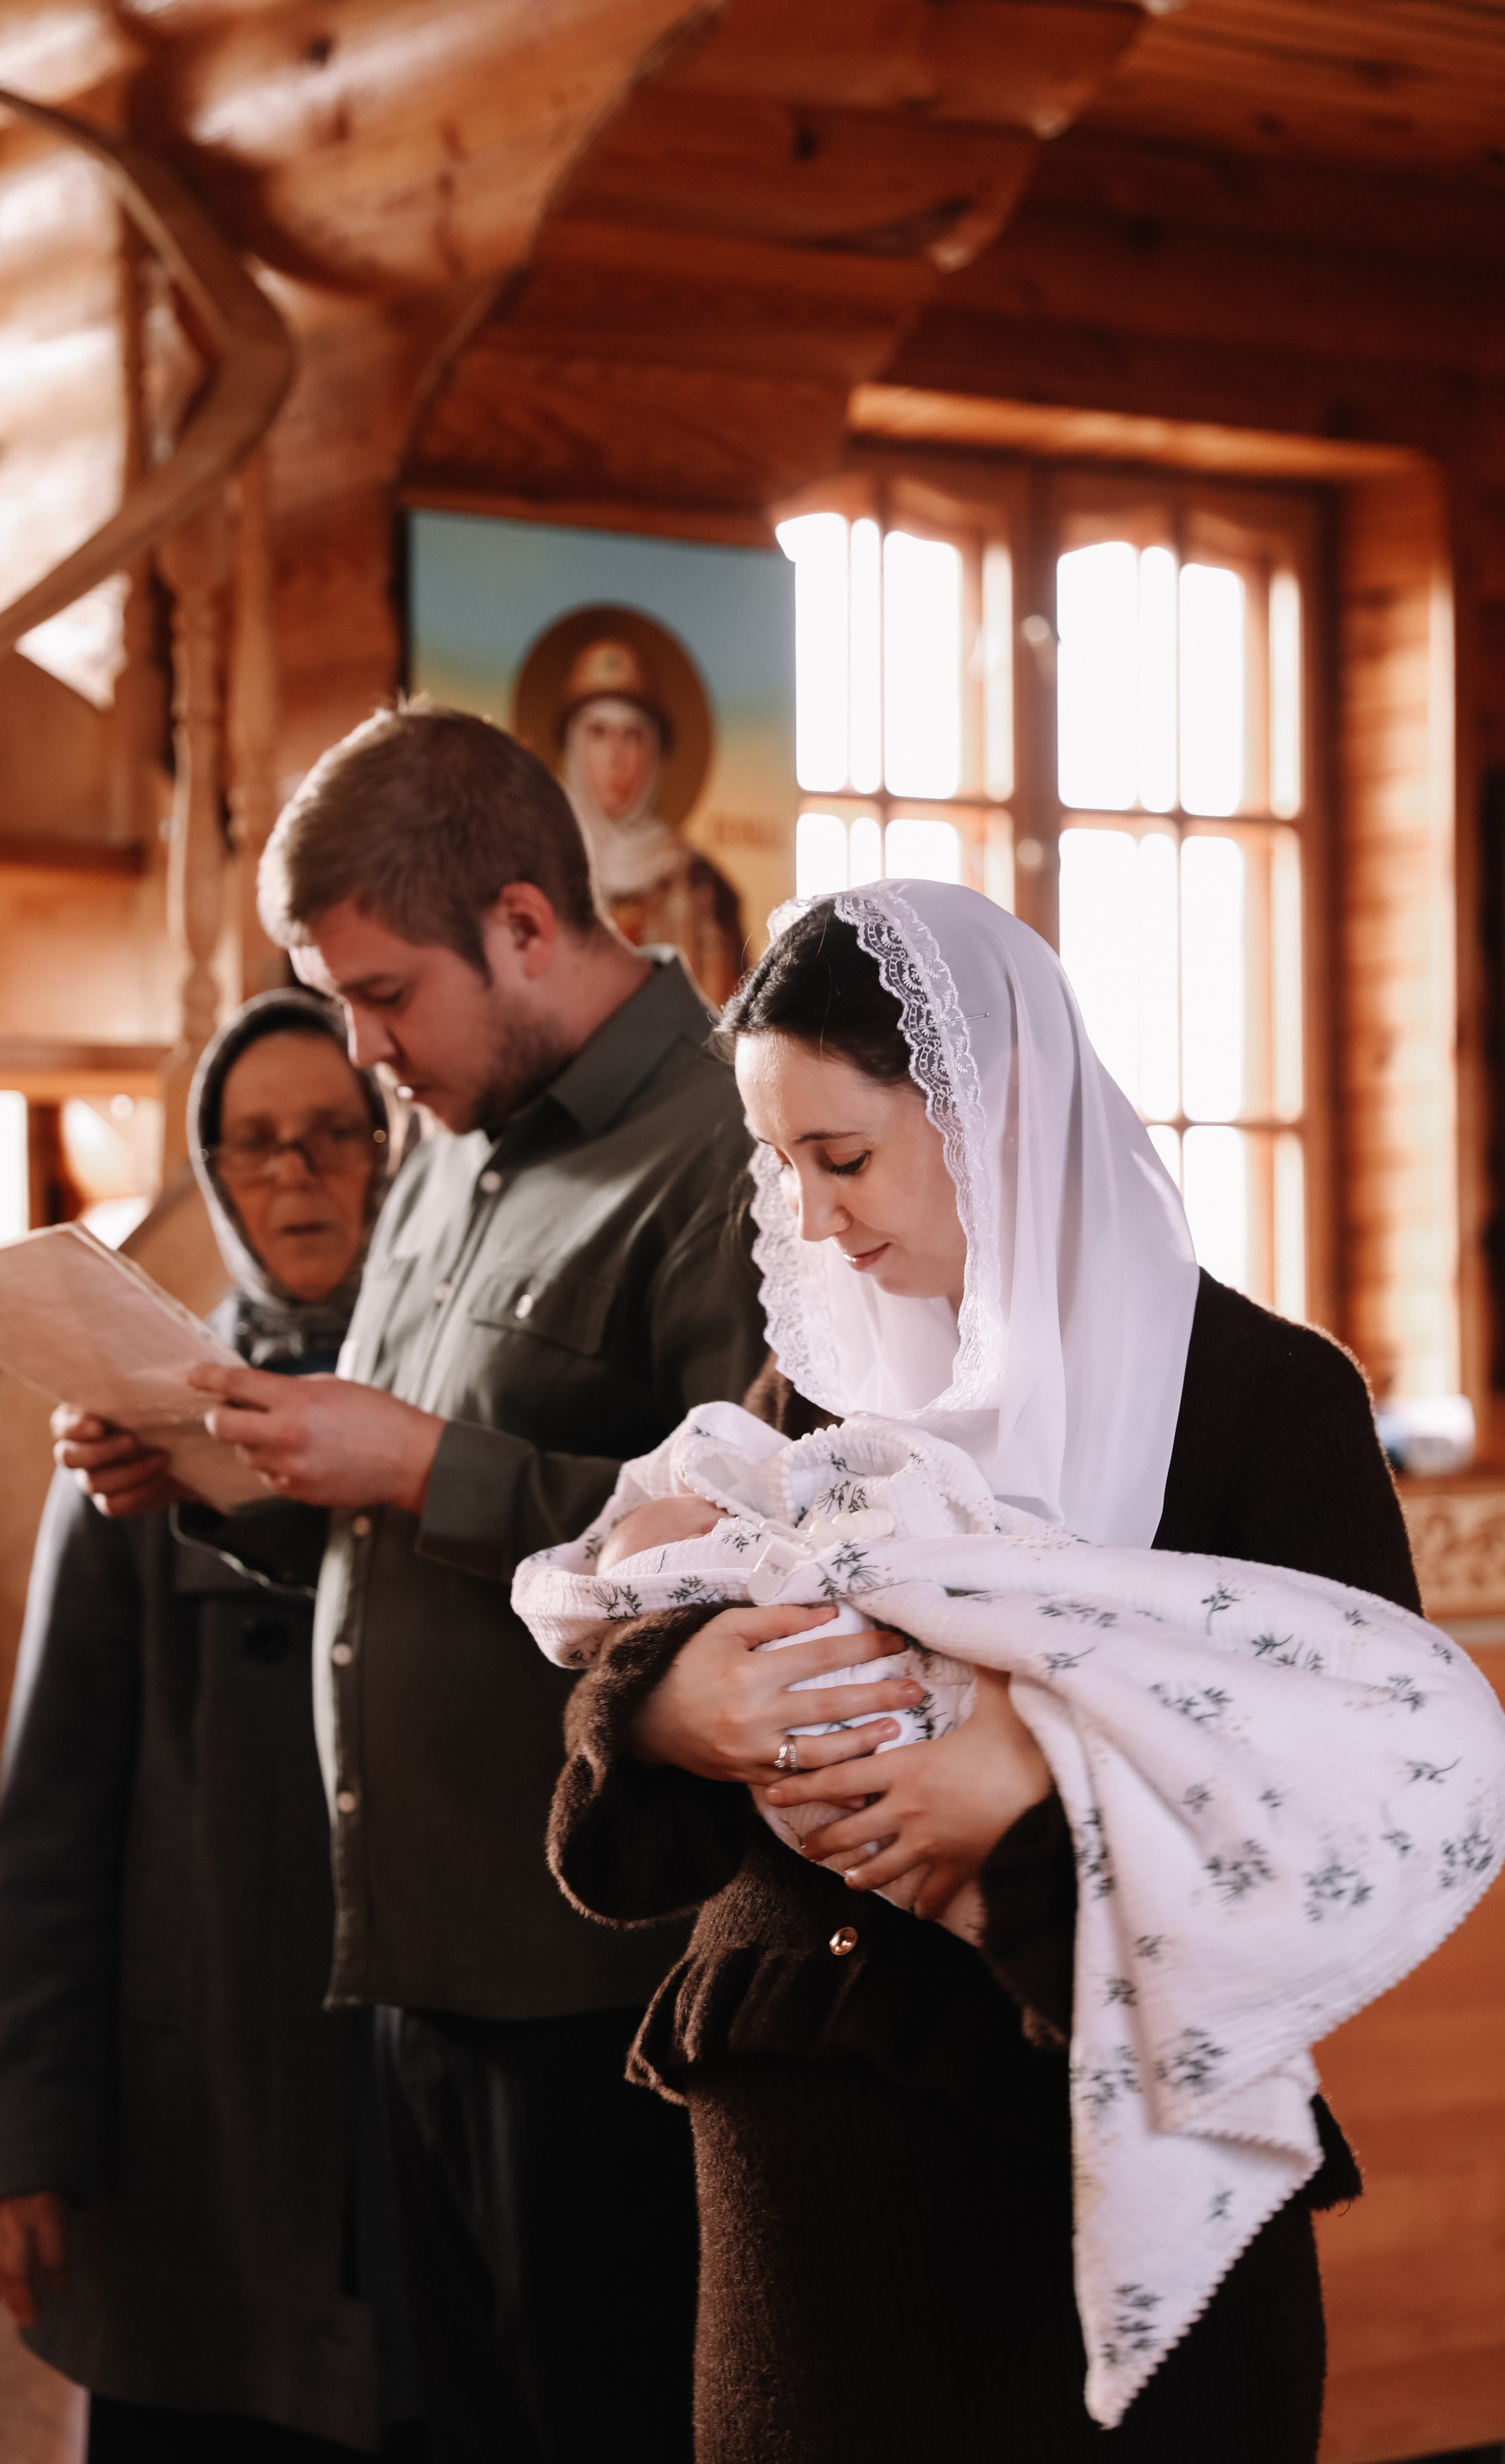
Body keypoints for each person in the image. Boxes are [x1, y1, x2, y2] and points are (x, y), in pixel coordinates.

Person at [540, 884, 1428, 2464]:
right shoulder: (814, 1400)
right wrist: (661, 1710)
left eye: (843, 1158)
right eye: (783, 1166)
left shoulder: (1263, 1405)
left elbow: (1345, 1827)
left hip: (1071, 2274)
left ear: (994, 1108)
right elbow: (645, 1705)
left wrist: (1034, 1798)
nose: (812, 1219)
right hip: (802, 2283)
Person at [56, 705, 767, 2464]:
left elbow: (764, 1549)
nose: (364, 1052)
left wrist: (424, 1464)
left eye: (383, 996)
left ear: (525, 925)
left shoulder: (730, 1153)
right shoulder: (456, 1122)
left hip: (596, 1992)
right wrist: (220, 1481)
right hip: (413, 1964)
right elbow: (391, 1527)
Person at [0, 989, 421, 2462]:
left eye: (333, 1134)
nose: (297, 1174)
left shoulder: (455, 1412)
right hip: (196, 2105)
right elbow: (54, 1813)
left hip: (411, 2109)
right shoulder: (127, 1433)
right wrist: (22, 2136)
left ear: (388, 1151)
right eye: (257, 1143)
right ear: (212, 1173)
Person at [556, 635, 745, 1005]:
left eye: (633, 736)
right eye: (598, 734)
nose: (616, 758)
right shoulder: (544, 872)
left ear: (656, 750)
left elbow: (730, 1024)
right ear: (572, 747)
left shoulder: (704, 888)